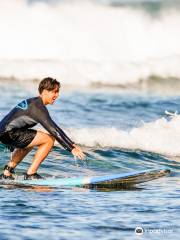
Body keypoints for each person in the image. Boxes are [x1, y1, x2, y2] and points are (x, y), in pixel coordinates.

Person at [0, 77, 85, 180]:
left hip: (5, 133)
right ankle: (31, 174)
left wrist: (72, 144)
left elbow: (55, 128)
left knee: (32, 141)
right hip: (10, 133)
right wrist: (71, 149)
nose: (57, 95)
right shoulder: (38, 108)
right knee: (49, 139)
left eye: (57, 92)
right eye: (54, 92)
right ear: (44, 91)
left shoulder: (33, 102)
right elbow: (54, 130)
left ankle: (7, 172)